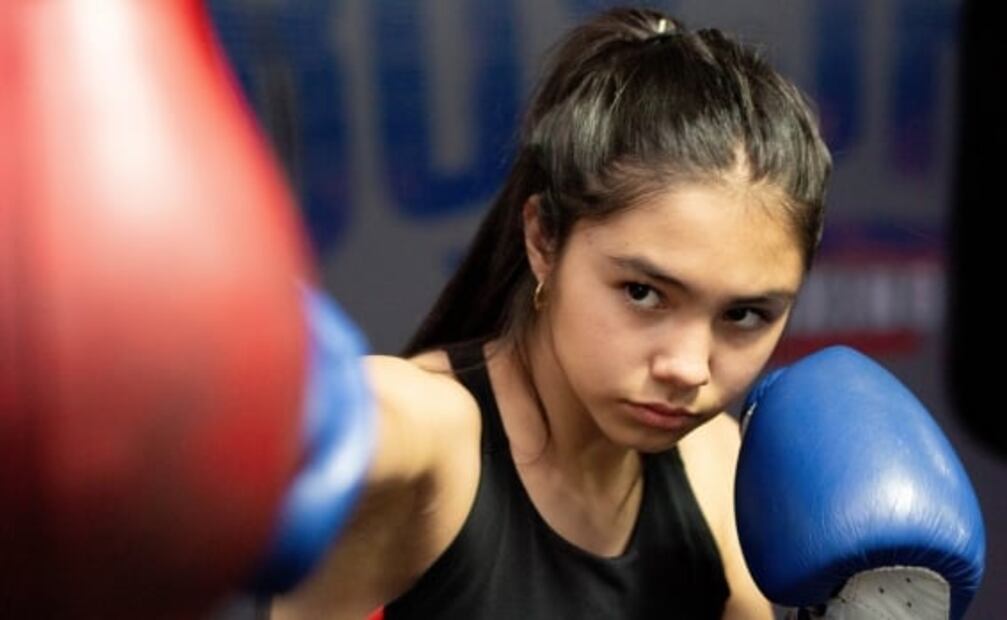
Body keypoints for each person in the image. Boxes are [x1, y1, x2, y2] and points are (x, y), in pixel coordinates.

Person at [271, 7, 831, 619]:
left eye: (744, 314)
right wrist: (272, 400)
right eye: (643, 293)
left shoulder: (716, 466)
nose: (689, 368)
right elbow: (370, 417)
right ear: (543, 239)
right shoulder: (436, 440)